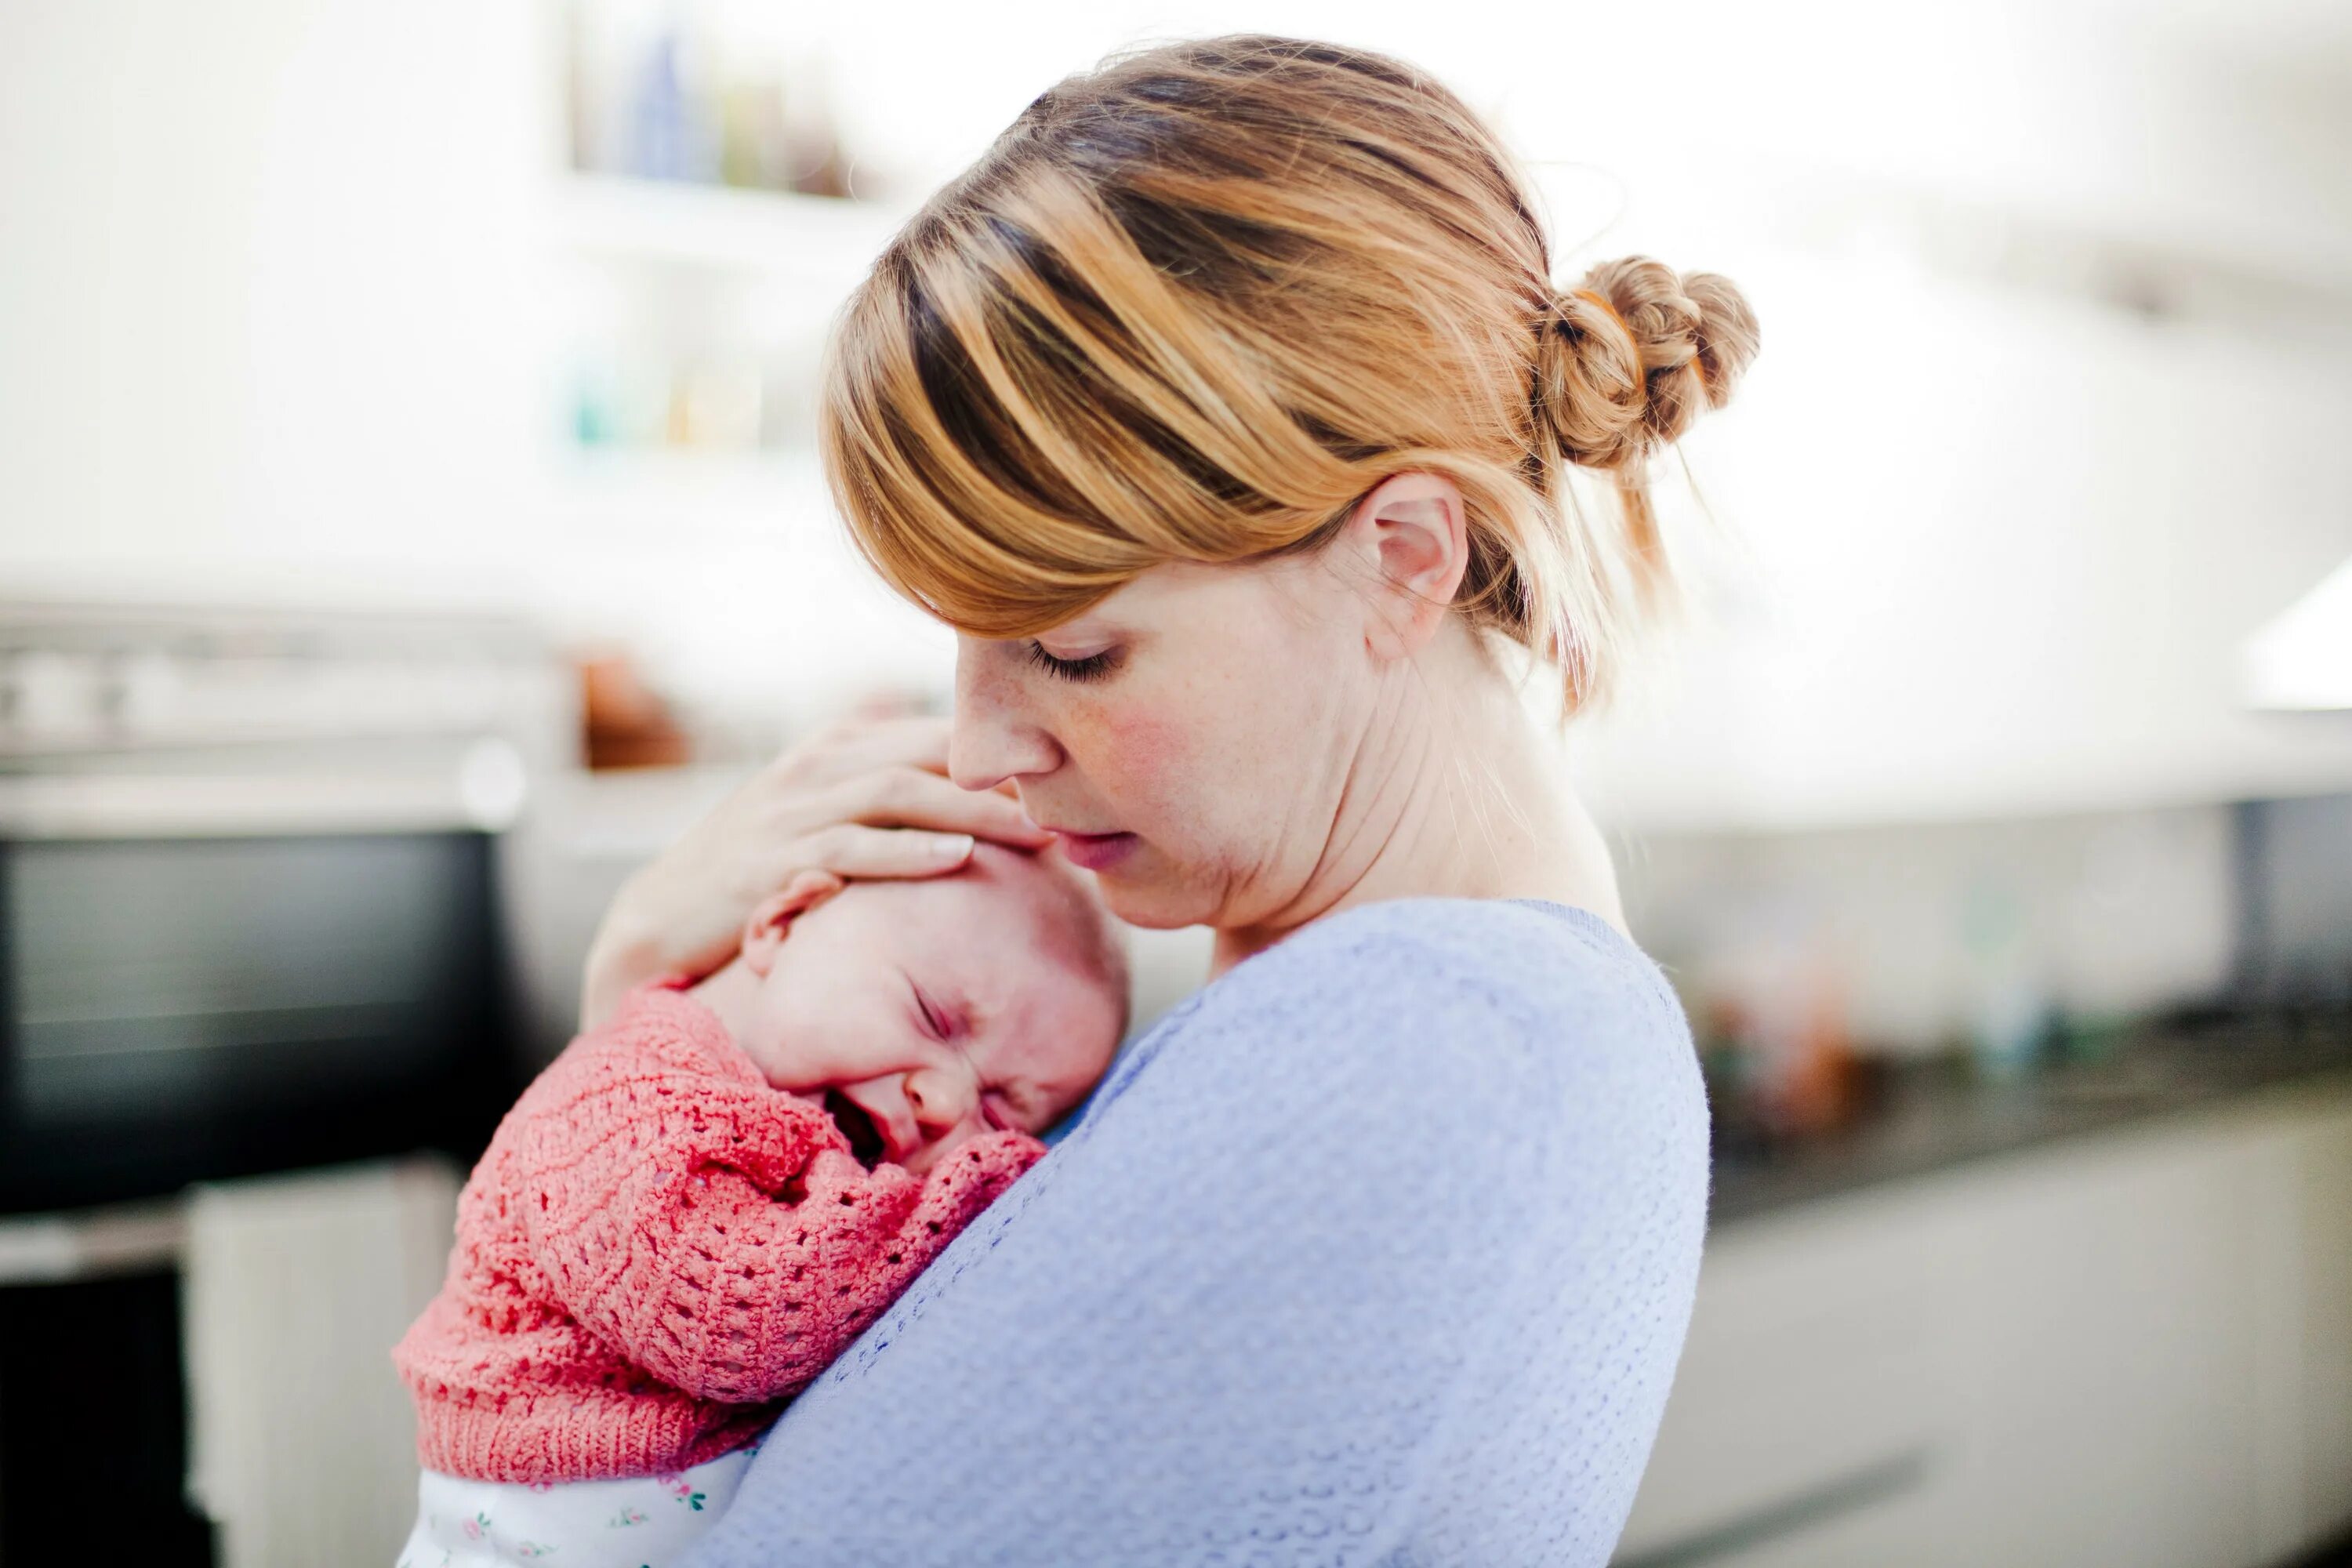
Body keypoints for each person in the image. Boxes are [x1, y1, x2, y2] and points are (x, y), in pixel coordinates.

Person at [586, 31, 1758, 1565]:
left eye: (1073, 651)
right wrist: (660, 1039)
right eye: (964, 644)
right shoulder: (1383, 1009)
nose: (986, 744)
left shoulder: (1422, 1048)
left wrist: (633, 1035)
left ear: (1405, 555)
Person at [392, 844, 1128, 1567]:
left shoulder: (815, 1137)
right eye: (932, 1017)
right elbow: (738, 1323)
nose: (945, 1102)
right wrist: (987, 1178)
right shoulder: (622, 1099)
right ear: (784, 923)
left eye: (1004, 1114)